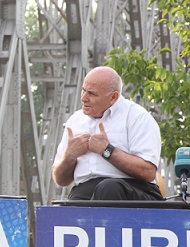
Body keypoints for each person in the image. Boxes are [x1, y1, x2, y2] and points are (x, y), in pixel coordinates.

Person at [52, 66, 162, 200]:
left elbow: (148, 172)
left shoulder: (136, 117)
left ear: (113, 97)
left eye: (92, 93)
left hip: (131, 192)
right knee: (69, 203)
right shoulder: (75, 120)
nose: (84, 98)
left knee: (108, 188)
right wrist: (69, 156)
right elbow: (60, 180)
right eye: (83, 91)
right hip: (86, 193)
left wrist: (107, 150)